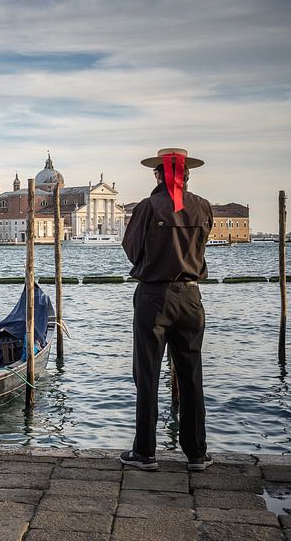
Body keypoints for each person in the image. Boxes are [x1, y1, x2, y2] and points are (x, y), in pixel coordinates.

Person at [119, 148, 214, 472]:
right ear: (187, 175)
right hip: (190, 298)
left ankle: (145, 453)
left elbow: (132, 250)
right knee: (191, 375)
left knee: (147, 376)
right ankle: (196, 453)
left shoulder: (148, 207)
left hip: (154, 298)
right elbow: (200, 250)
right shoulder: (203, 207)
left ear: (159, 175)